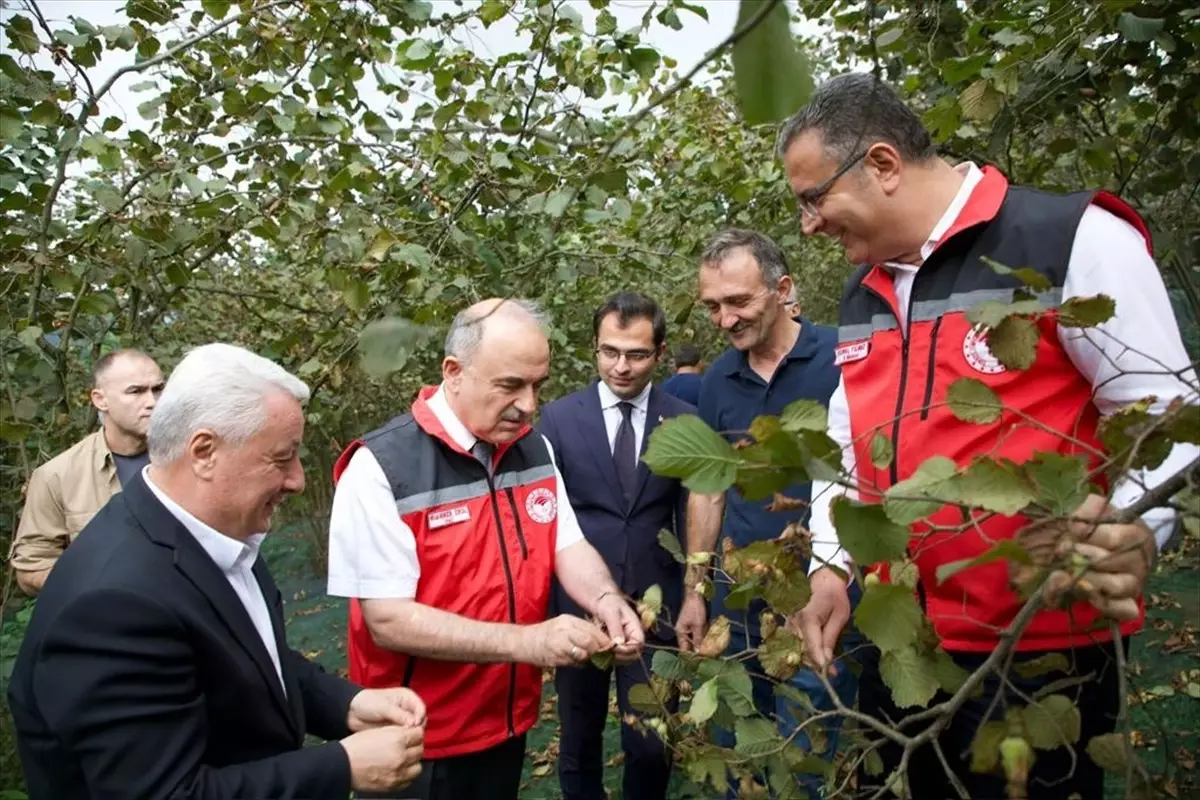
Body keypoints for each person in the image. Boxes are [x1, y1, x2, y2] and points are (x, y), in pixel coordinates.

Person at [778, 73, 1200, 799]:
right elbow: (845, 446)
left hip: (1041, 656)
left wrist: (1138, 526)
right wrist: (829, 567)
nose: (809, 225)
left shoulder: (1069, 238)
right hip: (903, 649)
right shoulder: (862, 290)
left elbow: (1169, 414)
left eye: (813, 199)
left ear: (881, 164)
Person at [7, 343, 427, 800]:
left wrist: (346, 704)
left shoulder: (215, 531)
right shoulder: (114, 606)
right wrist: (341, 766)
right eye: (281, 457)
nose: (298, 479)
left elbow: (247, 656)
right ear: (205, 451)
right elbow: (164, 793)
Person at [326, 298, 646, 800]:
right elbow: (386, 619)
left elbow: (569, 544)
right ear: (454, 373)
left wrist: (606, 599)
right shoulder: (380, 468)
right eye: (510, 385)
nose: (529, 405)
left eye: (537, 385)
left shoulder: (532, 448)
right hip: (415, 740)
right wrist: (529, 643)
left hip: (506, 725)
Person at [677, 229, 856, 797]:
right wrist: (694, 588)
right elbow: (709, 491)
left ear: (782, 289)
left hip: (819, 597)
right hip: (741, 602)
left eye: (738, 302)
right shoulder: (716, 382)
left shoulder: (842, 357)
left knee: (807, 750)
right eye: (712, 307)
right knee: (745, 757)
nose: (725, 321)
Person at [537, 292, 694, 800]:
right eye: (610, 352)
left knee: (651, 741)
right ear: (594, 349)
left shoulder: (683, 418)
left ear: (661, 352)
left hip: (657, 606)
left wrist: (695, 590)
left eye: (636, 354)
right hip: (579, 606)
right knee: (579, 737)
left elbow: (697, 511)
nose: (621, 367)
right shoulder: (558, 421)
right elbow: (546, 519)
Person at [10, 348, 163, 595]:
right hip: (103, 623)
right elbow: (31, 569)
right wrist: (96, 585)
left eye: (158, 389)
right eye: (136, 391)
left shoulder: (192, 459)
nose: (152, 402)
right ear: (100, 400)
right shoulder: (56, 476)